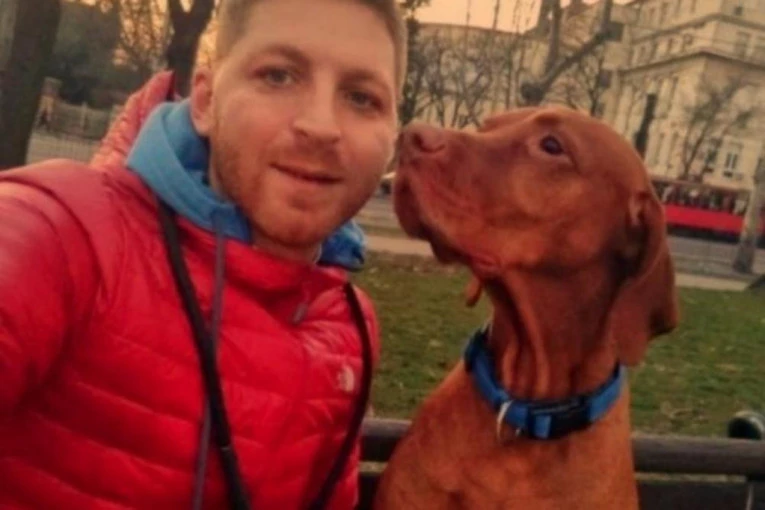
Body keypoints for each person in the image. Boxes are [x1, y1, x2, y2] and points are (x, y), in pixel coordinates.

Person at [0, 0, 405, 508]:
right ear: (206, 101)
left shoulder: (348, 327)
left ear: (392, 137)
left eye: (362, 98)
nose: (321, 125)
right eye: (278, 75)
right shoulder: (66, 235)